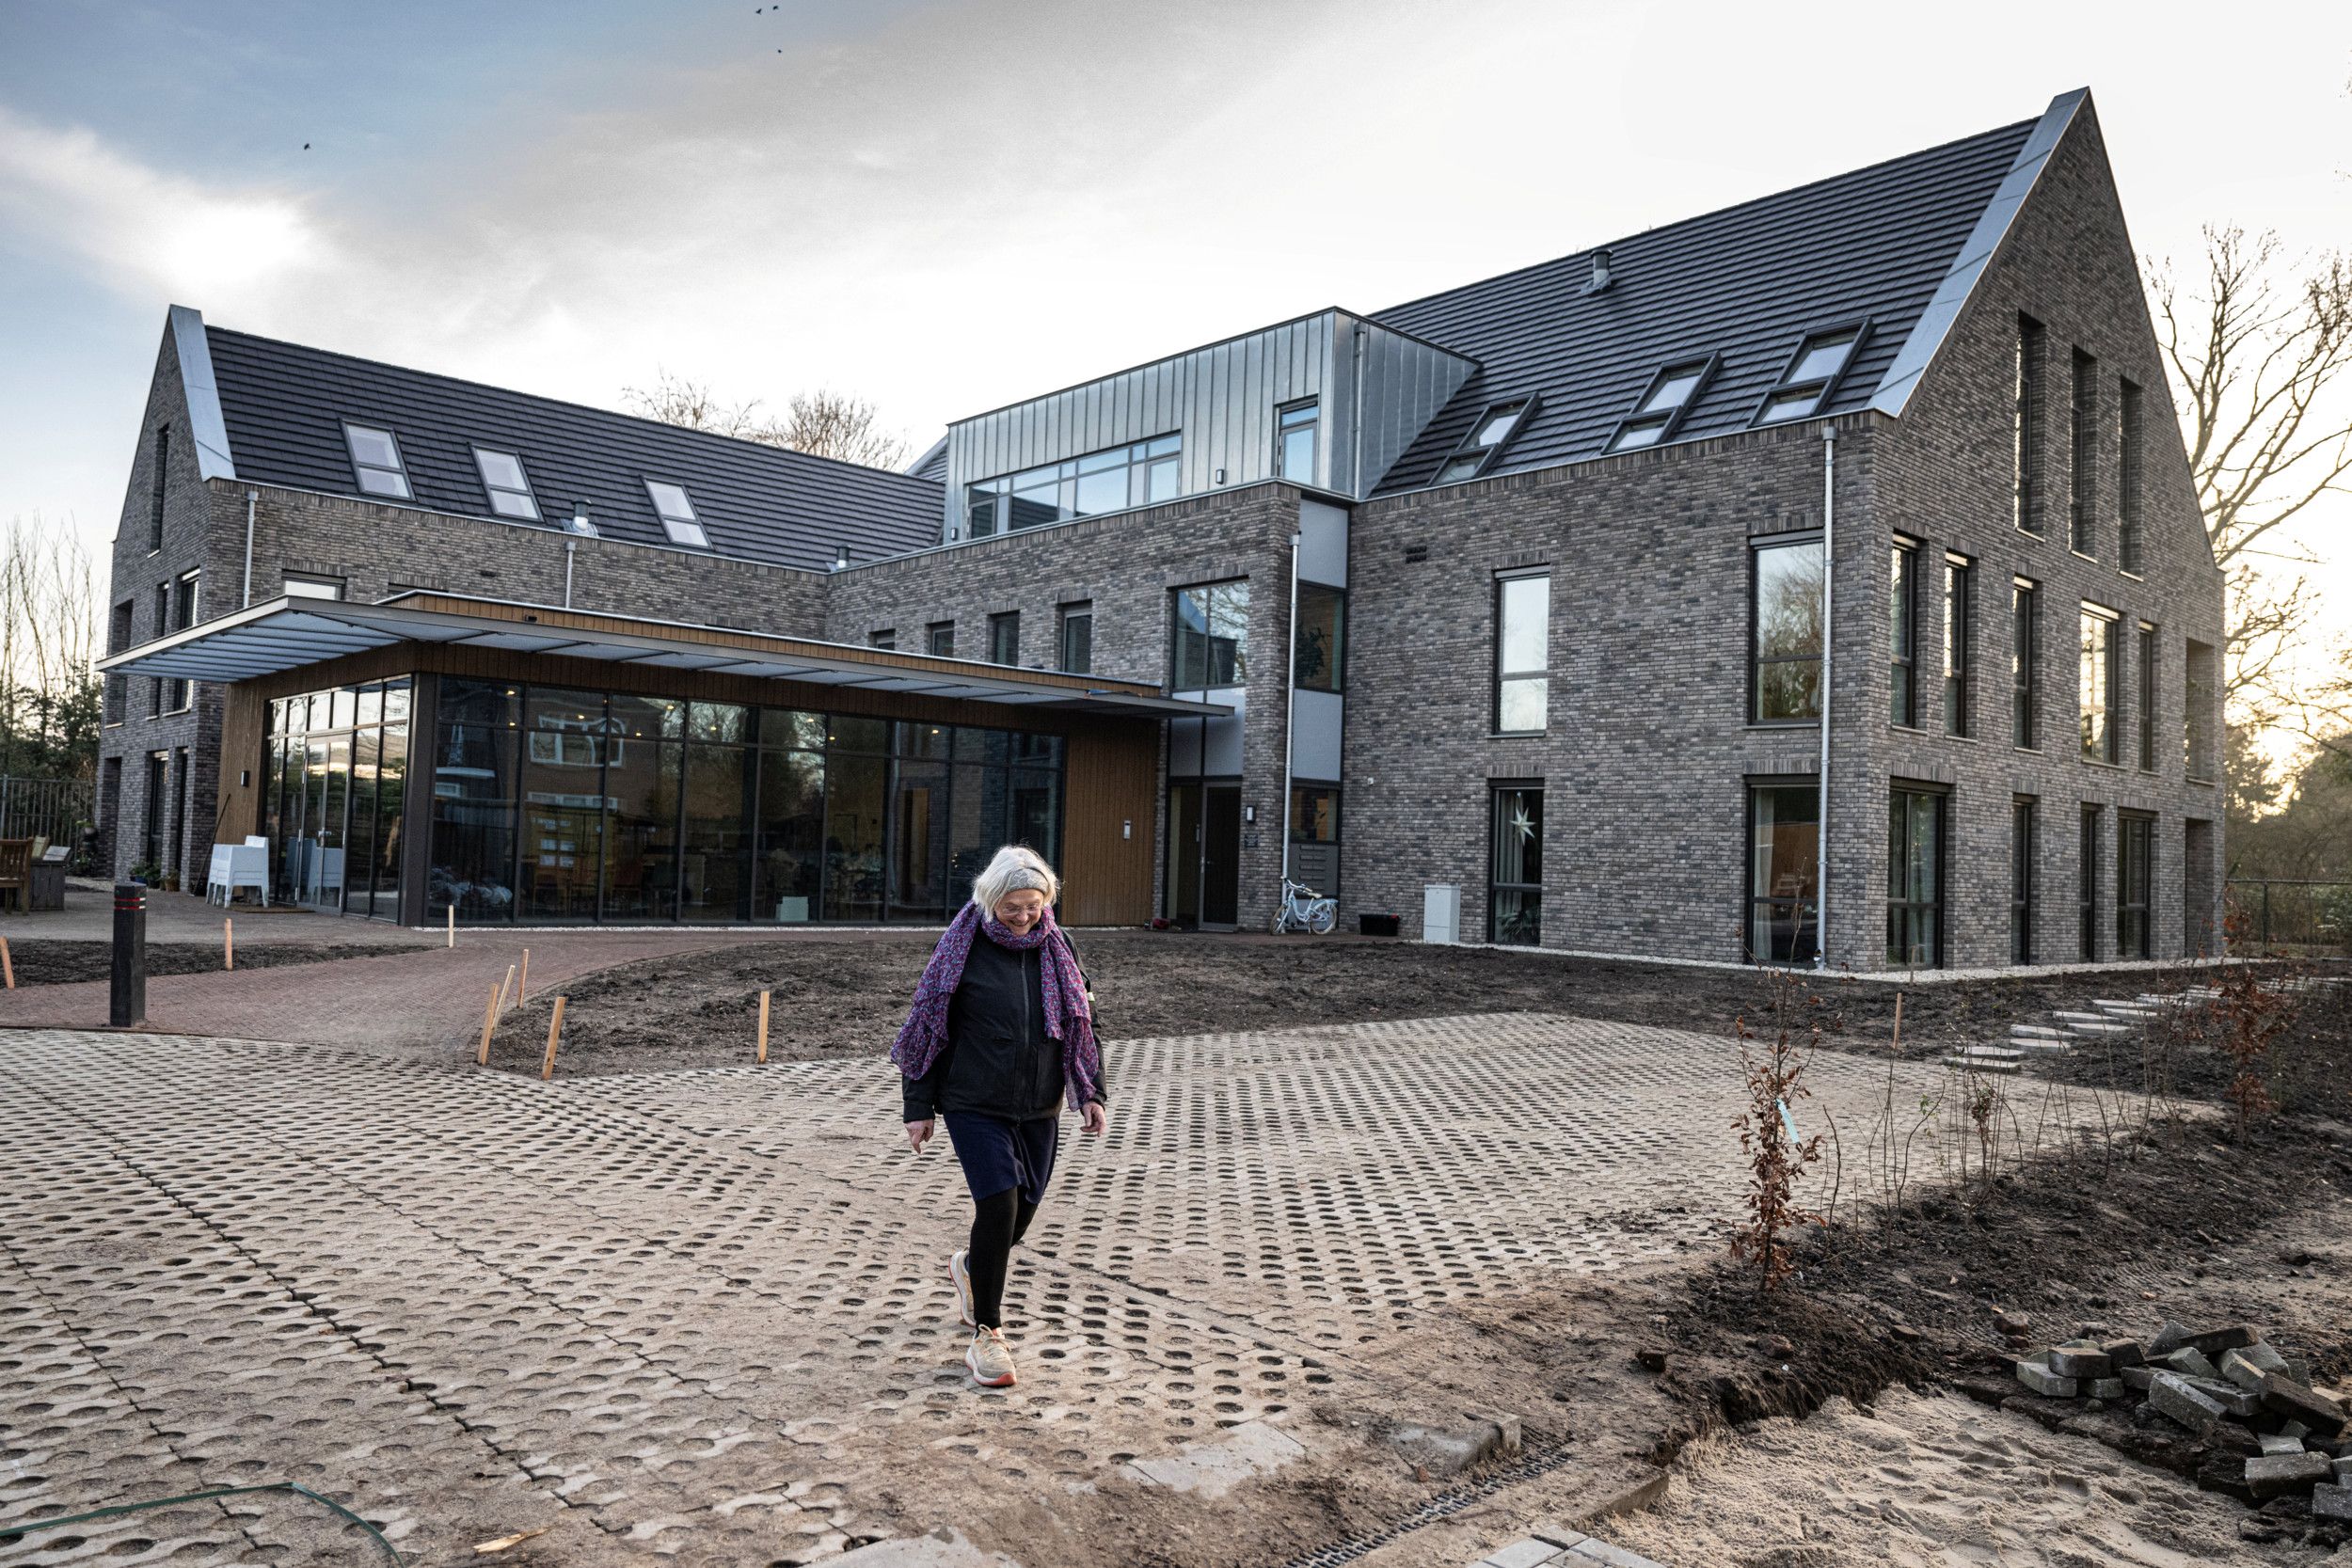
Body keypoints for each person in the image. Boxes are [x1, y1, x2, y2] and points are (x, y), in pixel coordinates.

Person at [893, 845, 1107, 1388]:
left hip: (1040, 1104)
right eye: (1012, 906)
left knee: (1022, 1213)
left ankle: (972, 1266)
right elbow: (927, 1030)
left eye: (1032, 905)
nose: (1022, 916)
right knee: (998, 1203)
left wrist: (1090, 1092)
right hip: (973, 1102)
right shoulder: (959, 951)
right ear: (991, 900)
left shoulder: (1060, 948)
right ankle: (988, 1335)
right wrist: (919, 1107)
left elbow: (1085, 1022)